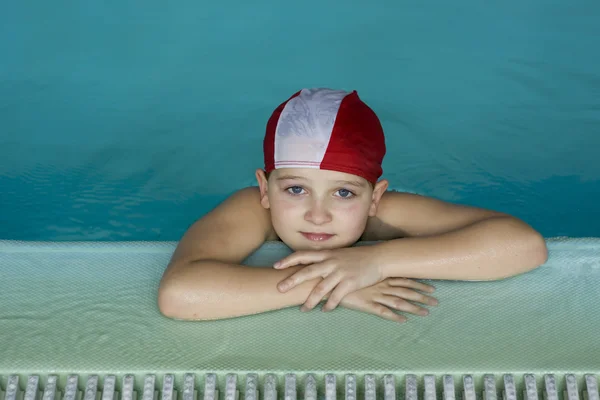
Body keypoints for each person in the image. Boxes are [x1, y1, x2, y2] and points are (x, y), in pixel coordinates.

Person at [157, 88, 548, 323]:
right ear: (264, 188)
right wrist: (329, 284)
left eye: (344, 193)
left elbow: (524, 246)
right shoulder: (251, 209)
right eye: (295, 190)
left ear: (374, 198)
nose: (317, 214)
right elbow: (180, 294)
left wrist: (375, 262)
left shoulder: (387, 215)